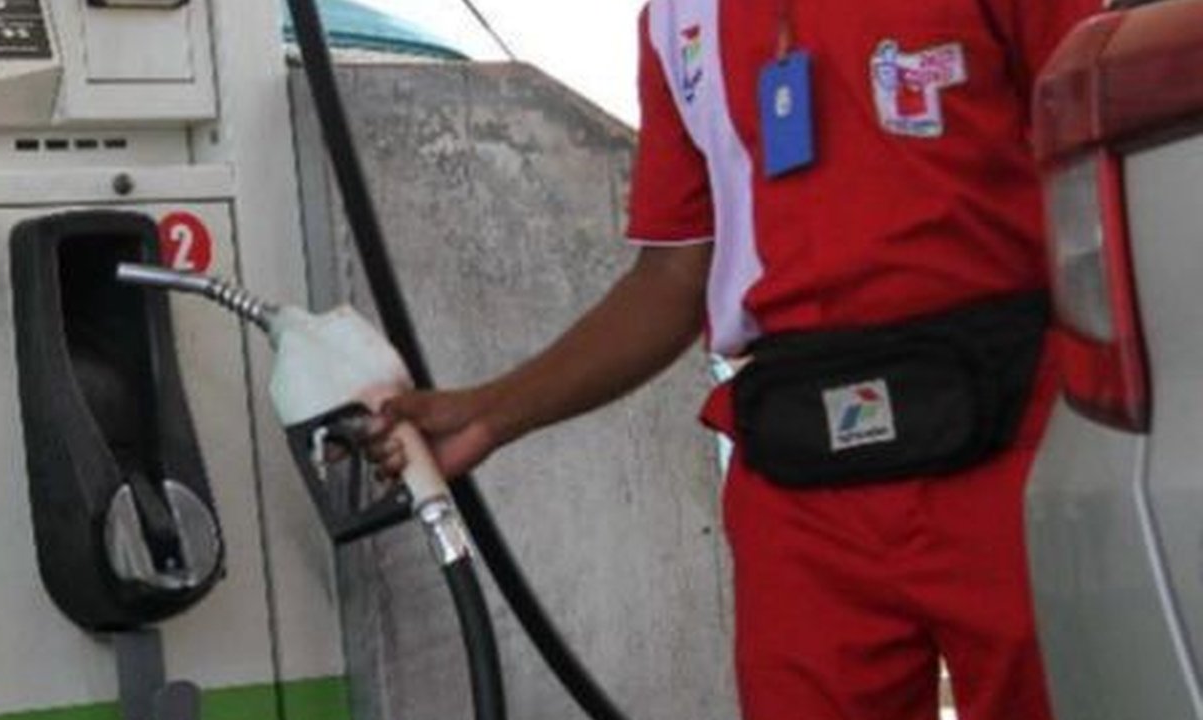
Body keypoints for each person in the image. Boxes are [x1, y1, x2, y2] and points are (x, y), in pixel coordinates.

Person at [363, 1, 1104, 718]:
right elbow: (671, 278)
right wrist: (490, 414)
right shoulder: (677, 18)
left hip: (1019, 436)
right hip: (800, 476)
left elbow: (1110, 172)